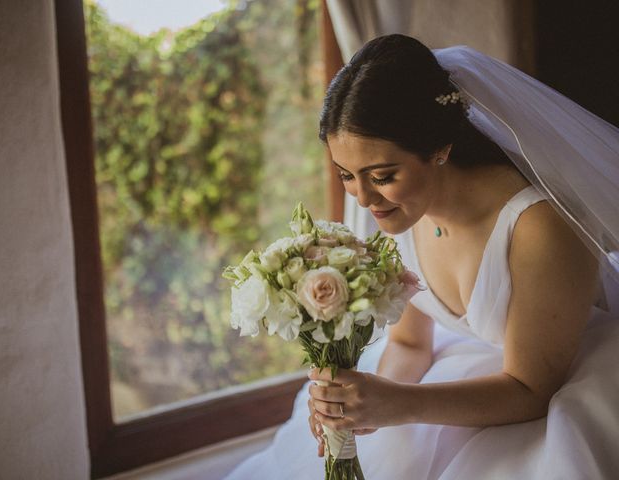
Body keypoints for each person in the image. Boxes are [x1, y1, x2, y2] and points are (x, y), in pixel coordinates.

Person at [225, 35, 619, 479]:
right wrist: (365, 409)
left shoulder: (539, 227)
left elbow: (532, 389)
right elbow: (411, 344)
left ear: (439, 148)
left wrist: (400, 404)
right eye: (346, 175)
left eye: (382, 175)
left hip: (553, 388)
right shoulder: (398, 210)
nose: (364, 197)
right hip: (467, 374)